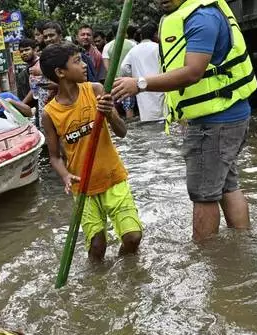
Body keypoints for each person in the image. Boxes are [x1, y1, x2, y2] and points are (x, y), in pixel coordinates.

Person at [112, 0, 257, 241]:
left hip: (215, 120)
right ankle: (240, 246)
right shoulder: (196, 12)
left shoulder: (201, 17)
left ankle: (205, 260)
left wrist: (139, 84)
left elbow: (193, 71)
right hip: (226, 114)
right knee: (226, 185)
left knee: (204, 194)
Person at [40, 43, 142, 260]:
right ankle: (98, 284)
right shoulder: (50, 113)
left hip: (113, 177)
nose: (84, 65)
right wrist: (65, 175)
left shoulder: (95, 90)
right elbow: (55, 157)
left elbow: (122, 131)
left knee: (133, 237)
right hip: (83, 186)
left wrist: (110, 114)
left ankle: (126, 271)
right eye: (77, 61)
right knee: (97, 247)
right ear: (60, 73)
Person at [120, 22, 165, 122]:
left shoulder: (134, 50)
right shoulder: (158, 48)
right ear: (155, 34)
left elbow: (124, 68)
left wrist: (134, 77)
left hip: (142, 89)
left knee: (148, 121)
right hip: (160, 86)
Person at [103, 23, 138, 119]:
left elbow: (107, 68)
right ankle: (130, 129)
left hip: (115, 83)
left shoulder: (107, 47)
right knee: (129, 109)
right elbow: (136, 63)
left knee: (114, 109)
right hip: (130, 81)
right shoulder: (132, 44)